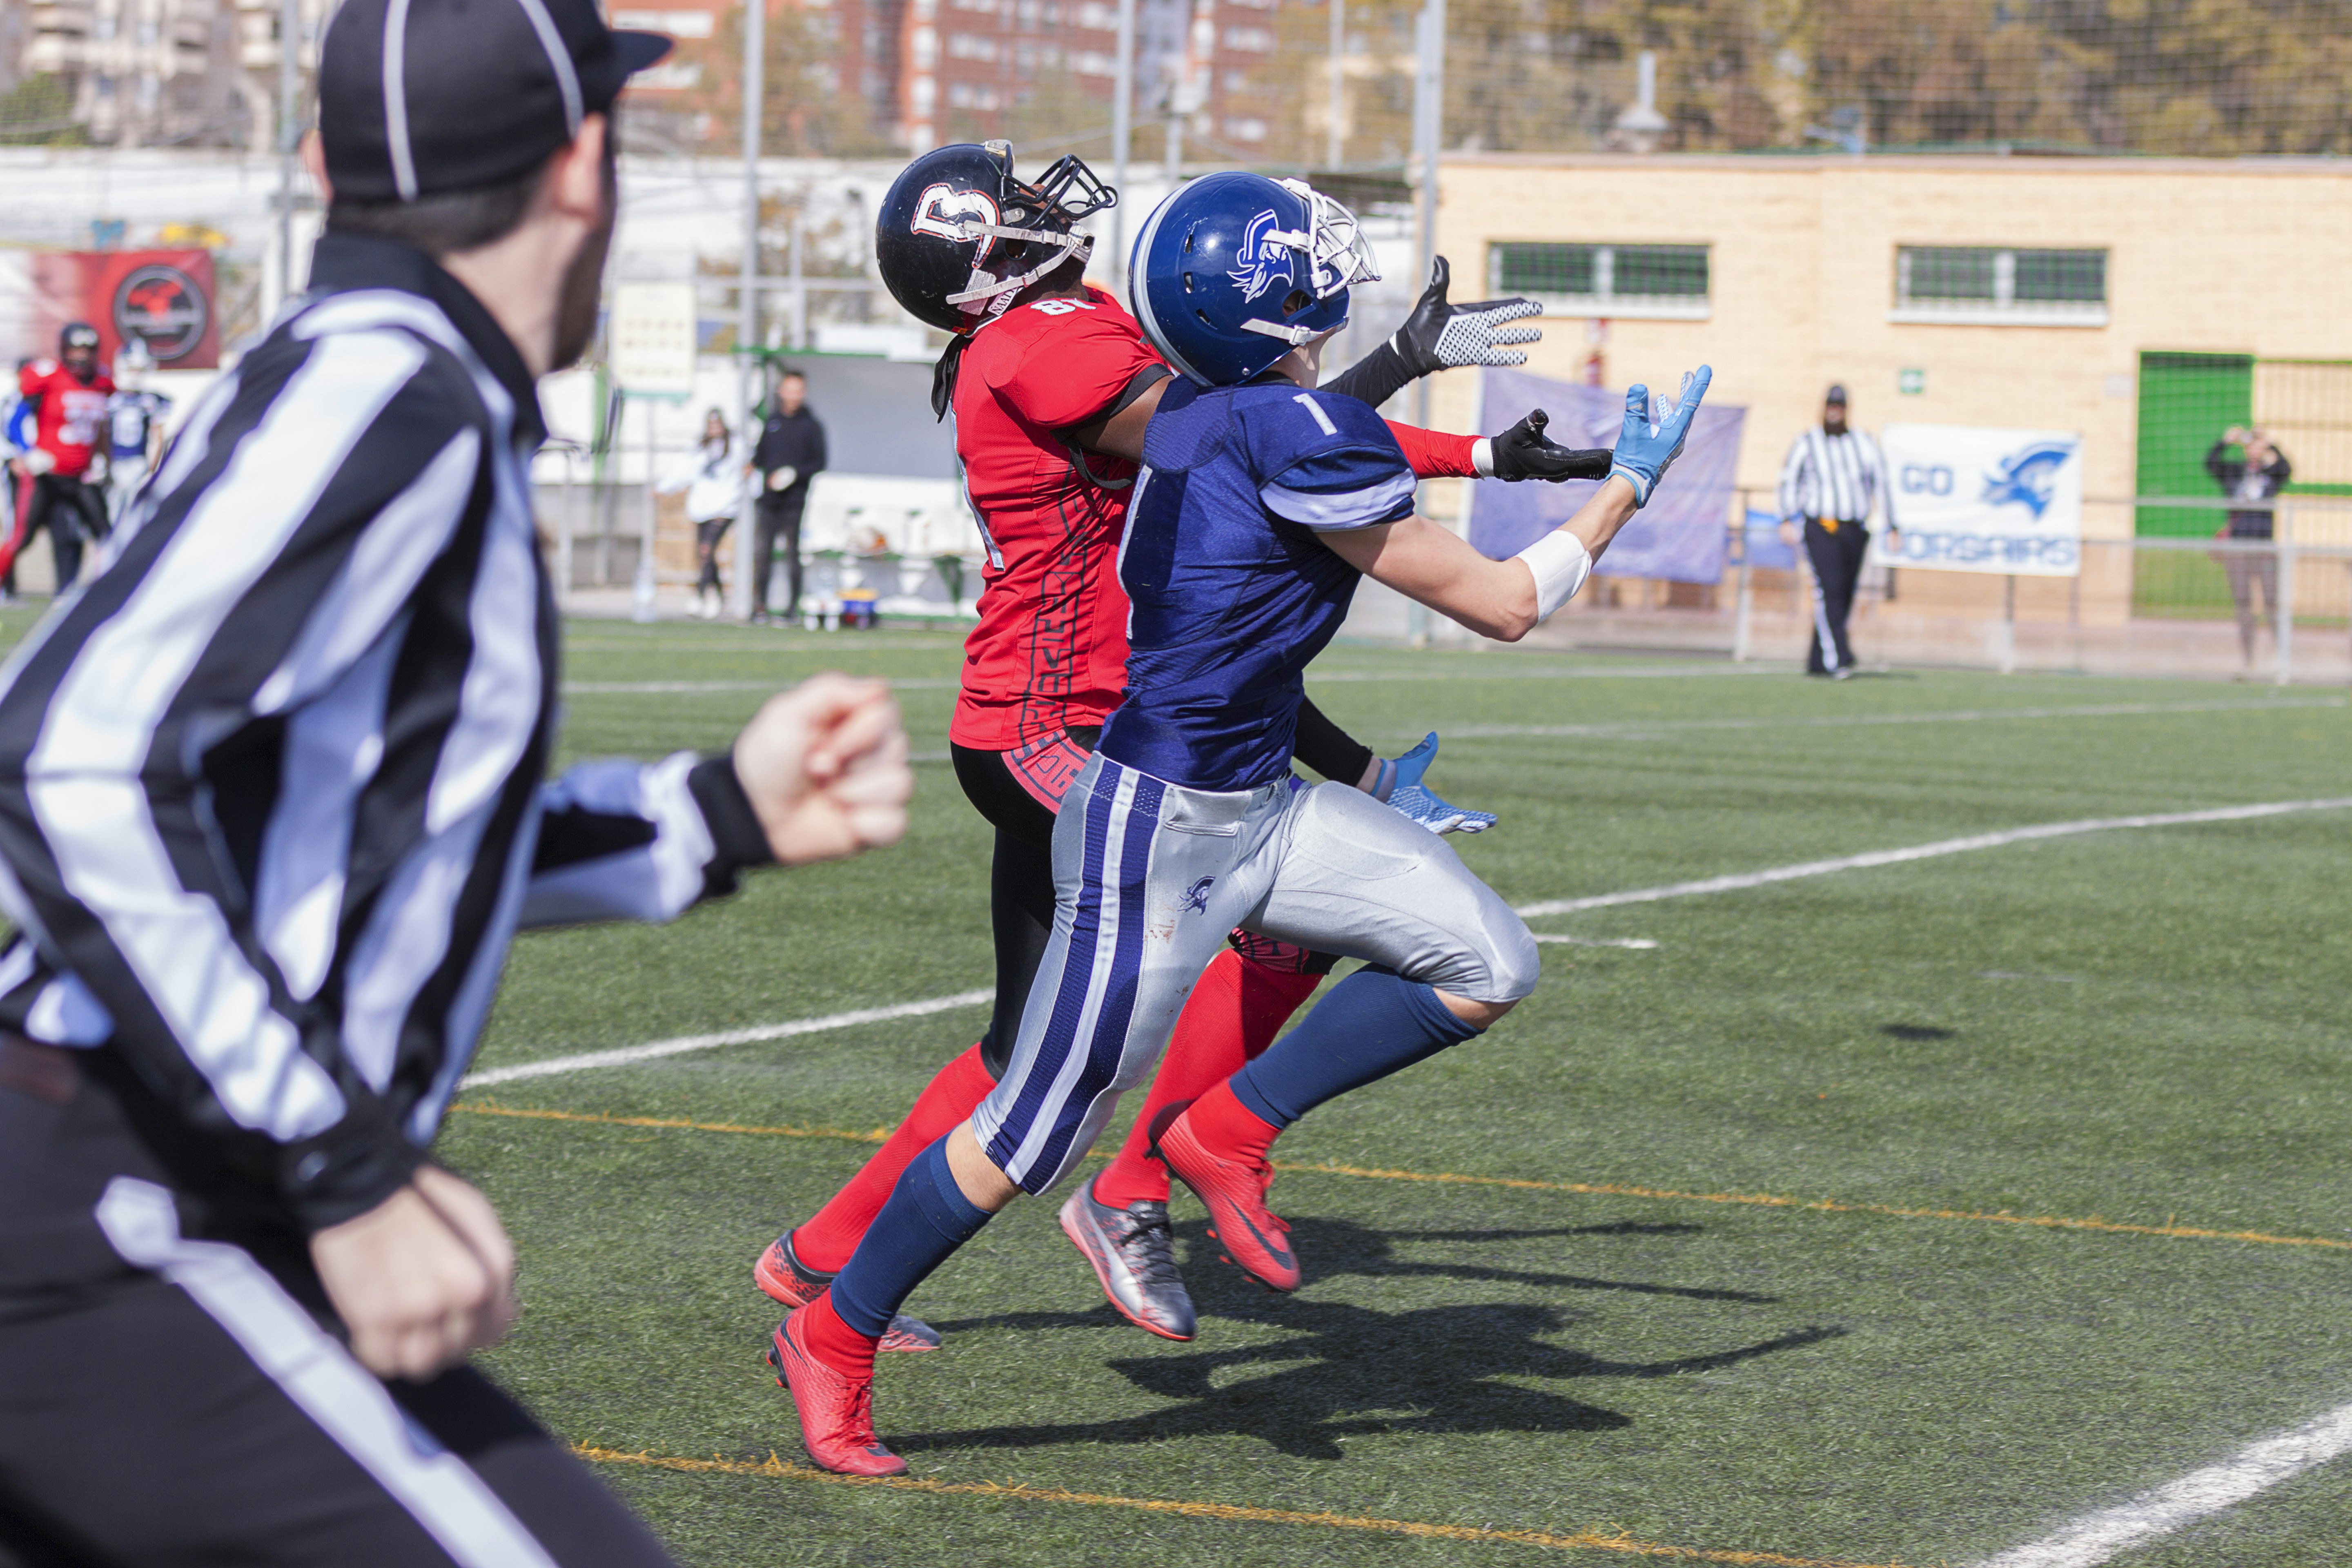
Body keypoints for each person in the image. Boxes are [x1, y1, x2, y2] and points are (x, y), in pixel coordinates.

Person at [0, 1, 914, 1561]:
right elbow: (67, 756)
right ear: (582, 164)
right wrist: (348, 1175)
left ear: (320, 165)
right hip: (118, 1198)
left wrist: (707, 817)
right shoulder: (394, 385)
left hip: (148, 1193)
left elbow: (329, 838)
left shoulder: (375, 376)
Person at [766, 169, 1711, 1476]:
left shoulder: (1214, 410)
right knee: (1036, 1125)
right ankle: (835, 1322)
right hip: (1148, 810)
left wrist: (1456, 422)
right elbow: (1501, 600)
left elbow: (1318, 436)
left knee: (1489, 960)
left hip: (1258, 794)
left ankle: (1221, 1129)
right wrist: (1627, 489)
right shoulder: (1102, 368)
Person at [1776, 384, 1886, 679]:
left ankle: (1818, 660)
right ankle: (1840, 656)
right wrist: (1787, 518)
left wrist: (1892, 523)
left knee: (1844, 594)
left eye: (1839, 405)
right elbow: (1789, 480)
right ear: (1824, 408)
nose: (1834, 410)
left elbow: (1880, 481)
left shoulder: (1863, 442)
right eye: (1830, 405)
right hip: (1821, 526)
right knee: (1829, 591)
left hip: (1855, 528)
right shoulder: (1808, 441)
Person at [8, 322, 114, 594]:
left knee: (105, 534)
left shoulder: (102, 383)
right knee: (23, 538)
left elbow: (102, 428)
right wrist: (29, 452)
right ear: (64, 350)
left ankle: (103, 592)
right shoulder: (49, 377)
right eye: (76, 349)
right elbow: (14, 422)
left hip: (81, 476)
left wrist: (105, 462)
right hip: (46, 475)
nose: (82, 356)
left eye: (88, 350)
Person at [2205, 424, 2291, 666]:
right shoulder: (2234, 473)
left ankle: (2280, 657)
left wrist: (2271, 443)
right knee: (2243, 603)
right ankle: (2248, 658)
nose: (2254, 450)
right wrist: (2224, 442)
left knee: (2272, 602)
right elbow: (2211, 464)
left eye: (2258, 446)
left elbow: (2287, 469)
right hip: (2238, 547)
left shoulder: (2271, 473)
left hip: (2264, 547)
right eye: (2250, 445)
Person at [748, 368, 824, 623]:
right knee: (763, 553)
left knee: (792, 553)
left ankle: (792, 608)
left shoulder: (811, 426)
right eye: (789, 390)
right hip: (769, 500)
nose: (794, 395)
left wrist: (792, 475)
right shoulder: (772, 421)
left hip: (794, 501)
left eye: (798, 390)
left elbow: (819, 462)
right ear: (781, 391)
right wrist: (751, 467)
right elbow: (760, 456)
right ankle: (760, 607)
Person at [659, 406, 746, 619]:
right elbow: (684, 471)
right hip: (703, 508)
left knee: (707, 550)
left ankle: (700, 595)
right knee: (705, 554)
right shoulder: (701, 449)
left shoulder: (736, 446)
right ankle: (716, 594)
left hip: (725, 507)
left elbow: (747, 472)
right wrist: (663, 487)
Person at [103, 336, 172, 526]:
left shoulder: (152, 400)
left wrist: (152, 468)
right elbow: (102, 433)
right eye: (132, 368)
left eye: (140, 369)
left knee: (136, 518)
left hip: (138, 463)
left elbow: (158, 436)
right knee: (111, 517)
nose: (135, 374)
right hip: (114, 462)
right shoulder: (109, 397)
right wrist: (103, 461)